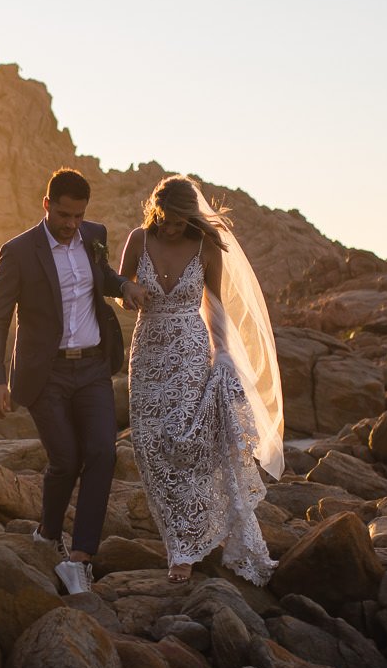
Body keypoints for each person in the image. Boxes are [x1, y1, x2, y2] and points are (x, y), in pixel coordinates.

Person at [0, 168, 149, 594]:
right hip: (46, 372)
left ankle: (80, 559)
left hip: (93, 367)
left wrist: (124, 286)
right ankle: (48, 533)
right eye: (63, 215)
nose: (71, 224)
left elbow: (103, 277)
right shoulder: (18, 251)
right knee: (65, 459)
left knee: (102, 454)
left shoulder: (94, 234)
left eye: (78, 216)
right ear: (47, 204)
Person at [119, 175, 284, 585]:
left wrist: (224, 353)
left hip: (191, 351)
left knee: (188, 441)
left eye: (179, 221)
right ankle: (183, 536)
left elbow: (214, 305)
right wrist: (128, 294)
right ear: (156, 211)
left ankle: (185, 551)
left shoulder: (207, 247)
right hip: (149, 352)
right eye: (166, 220)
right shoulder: (138, 240)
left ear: (190, 218)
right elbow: (120, 289)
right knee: (150, 445)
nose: (171, 228)